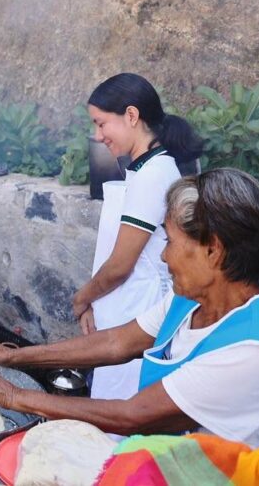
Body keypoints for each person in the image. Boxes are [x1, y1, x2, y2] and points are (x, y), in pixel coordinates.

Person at [0, 169, 259, 478]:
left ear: (213, 251)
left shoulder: (253, 350)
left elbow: (133, 416)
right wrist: (11, 357)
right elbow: (116, 343)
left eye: (170, 242)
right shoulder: (193, 298)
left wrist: (14, 395)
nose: (164, 256)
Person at [73, 73, 203, 400]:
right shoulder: (145, 168)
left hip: (136, 312)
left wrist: (82, 298)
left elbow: (120, 264)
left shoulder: (154, 174)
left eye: (101, 124)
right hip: (122, 309)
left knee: (122, 412)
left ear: (131, 116)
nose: (97, 135)